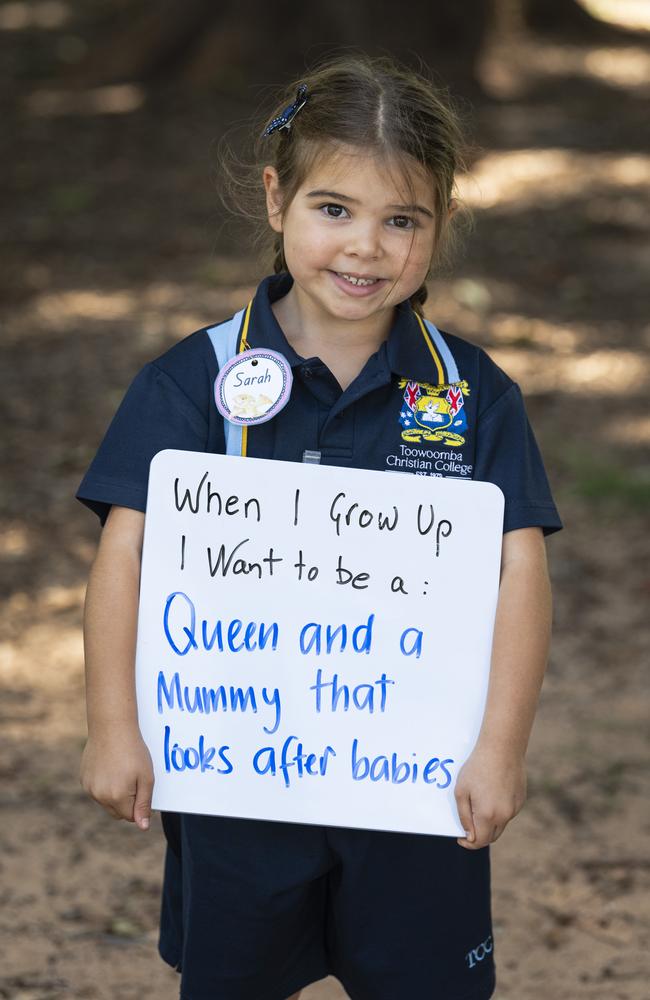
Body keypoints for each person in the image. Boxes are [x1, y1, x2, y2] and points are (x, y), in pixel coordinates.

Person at [76, 53, 562, 1000]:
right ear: (275, 200)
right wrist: (110, 727)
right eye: (334, 209)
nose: (365, 248)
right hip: (236, 786)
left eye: (401, 220)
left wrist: (501, 750)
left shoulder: (469, 394)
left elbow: (520, 574)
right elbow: (126, 552)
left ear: (439, 227)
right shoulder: (191, 382)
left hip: (416, 789)